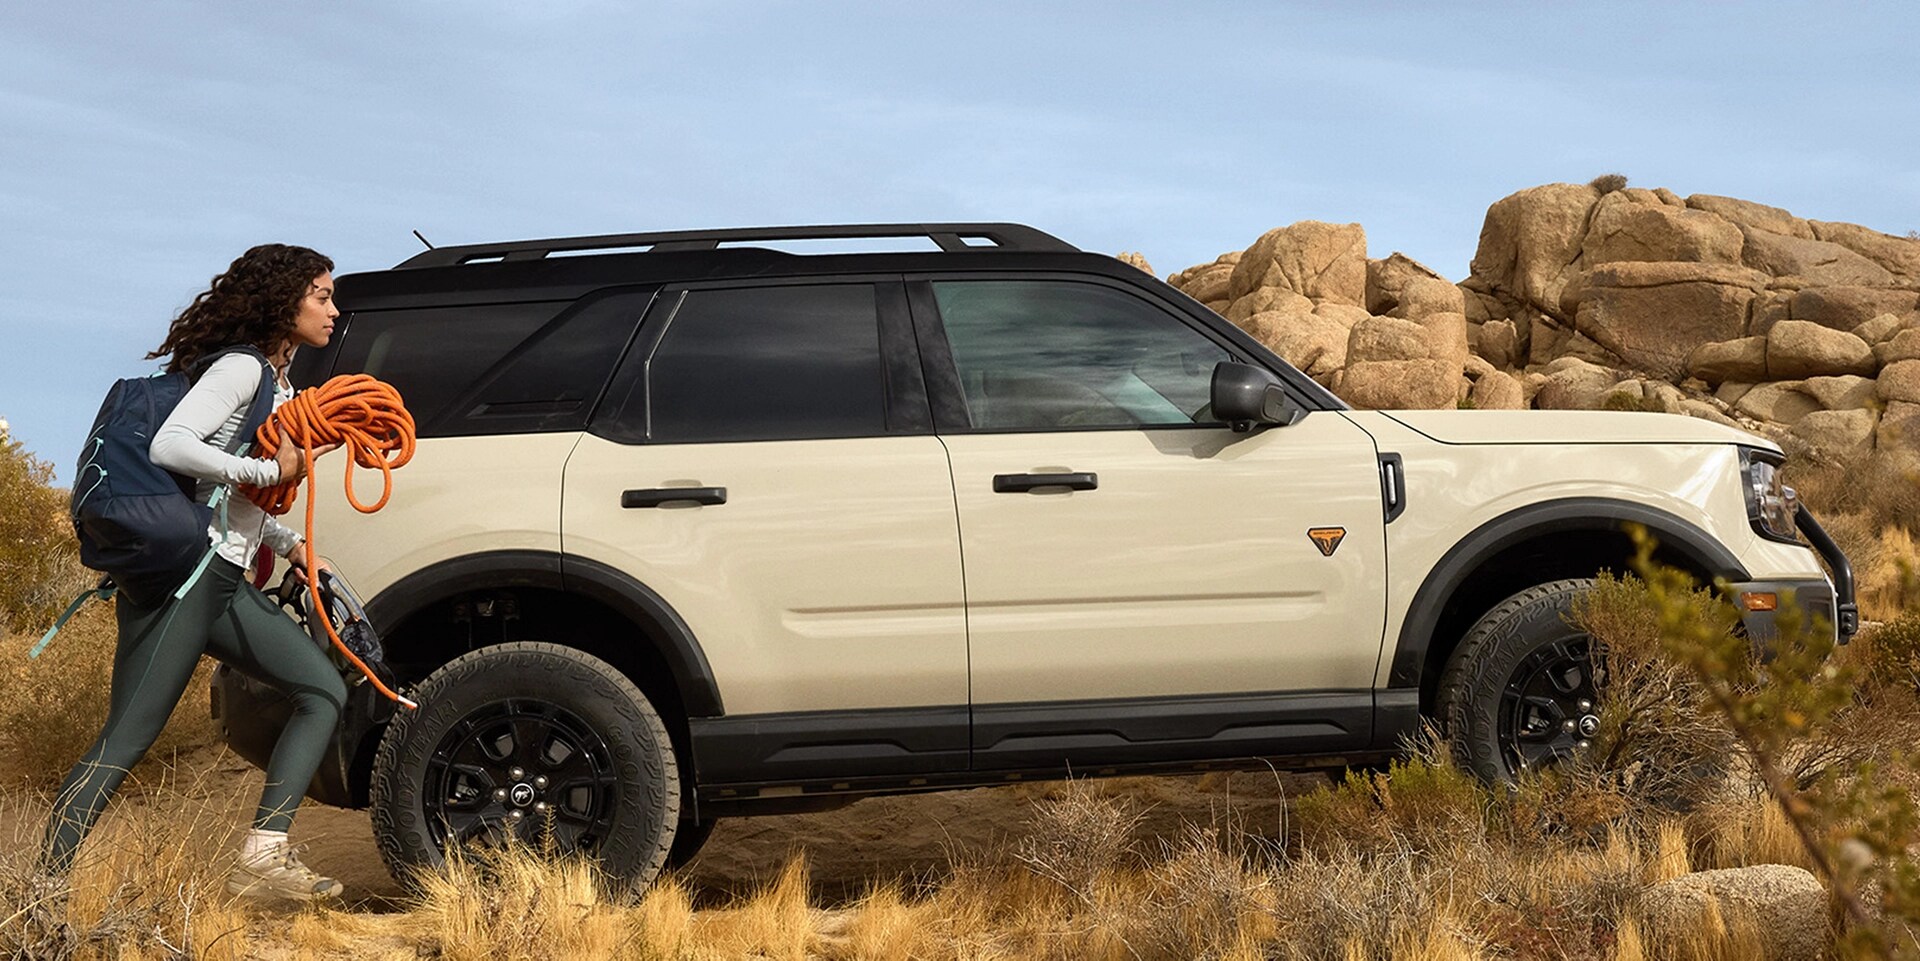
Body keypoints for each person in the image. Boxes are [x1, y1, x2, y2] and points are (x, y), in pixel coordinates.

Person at [39, 244, 351, 902]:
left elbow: (229, 497)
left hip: (222, 578)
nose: (333, 307)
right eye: (321, 295)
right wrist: (273, 472)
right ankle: (39, 890)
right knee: (127, 738)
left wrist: (290, 541)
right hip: (187, 581)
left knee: (322, 689)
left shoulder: (272, 379)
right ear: (284, 300)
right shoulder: (240, 369)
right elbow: (172, 445)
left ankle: (262, 857)